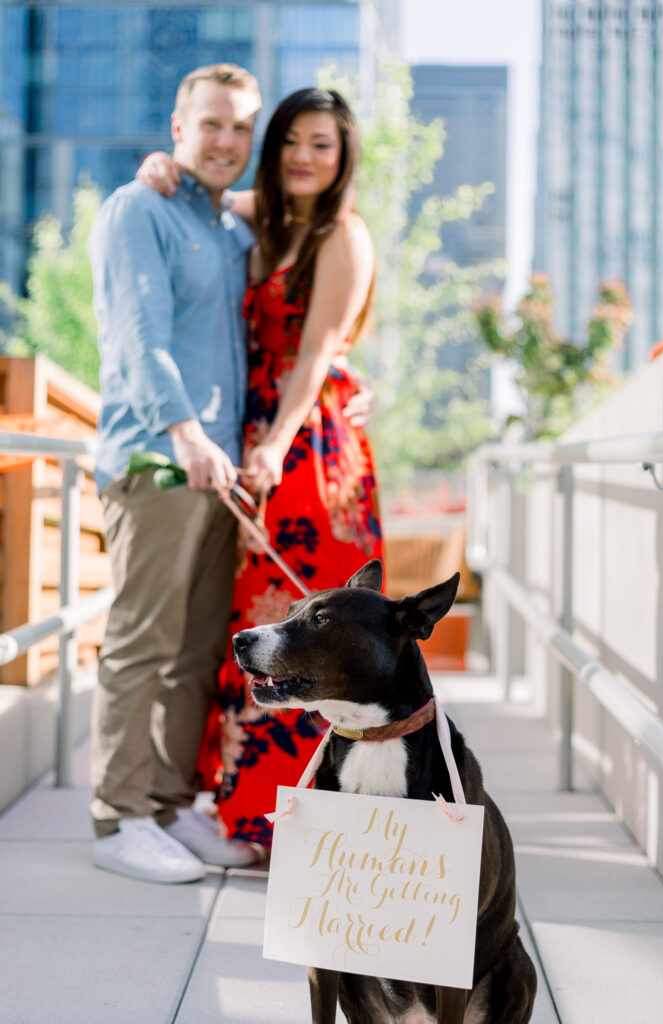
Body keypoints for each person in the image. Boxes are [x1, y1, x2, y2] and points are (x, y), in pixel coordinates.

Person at [138, 87, 382, 849]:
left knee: (317, 632)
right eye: (293, 142)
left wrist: (274, 445)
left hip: (307, 449)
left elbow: (315, 355)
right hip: (256, 442)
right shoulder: (255, 217)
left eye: (324, 145)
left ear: (342, 160)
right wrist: (156, 166)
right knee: (256, 630)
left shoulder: (342, 233)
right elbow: (193, 185)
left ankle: (320, 827)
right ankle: (252, 816)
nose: (306, 157)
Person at [88, 63, 265, 884]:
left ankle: (166, 802)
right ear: (177, 127)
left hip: (220, 471)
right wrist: (186, 433)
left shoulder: (229, 230)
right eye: (211, 124)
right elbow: (136, 337)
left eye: (240, 128)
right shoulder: (138, 208)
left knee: (195, 650)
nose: (226, 141)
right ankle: (117, 817)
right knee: (140, 641)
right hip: (161, 461)